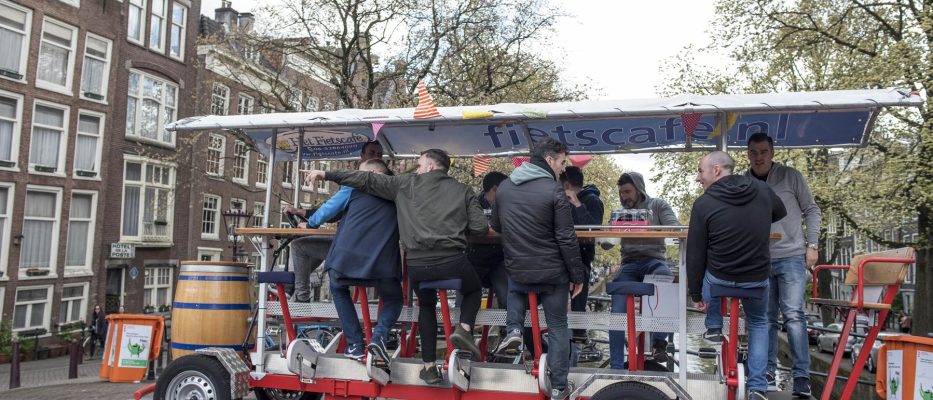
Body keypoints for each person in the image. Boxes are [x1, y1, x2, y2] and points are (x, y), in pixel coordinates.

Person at [303, 148, 489, 385]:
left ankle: (429, 366)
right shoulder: (463, 190)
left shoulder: (405, 184)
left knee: (427, 306)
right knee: (473, 288)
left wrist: (326, 174)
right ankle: (463, 328)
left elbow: (366, 179)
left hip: (417, 265)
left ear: (431, 166)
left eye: (419, 165)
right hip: (451, 260)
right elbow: (480, 228)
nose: (417, 169)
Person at [492, 138, 587, 400]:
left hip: (519, 269)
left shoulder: (505, 188)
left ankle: (513, 330)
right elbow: (566, 238)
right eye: (562, 162)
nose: (563, 169)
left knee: (516, 280)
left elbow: (497, 226)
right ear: (549, 161)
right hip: (551, 272)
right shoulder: (554, 190)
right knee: (557, 327)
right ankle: (558, 387)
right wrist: (577, 276)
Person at [688, 151, 786, 400]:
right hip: (756, 278)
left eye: (701, 171)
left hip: (719, 279)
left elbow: (696, 252)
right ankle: (757, 388)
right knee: (758, 323)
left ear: (717, 170)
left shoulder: (703, 204)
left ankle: (713, 325)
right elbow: (781, 211)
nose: (698, 178)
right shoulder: (762, 190)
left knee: (710, 266)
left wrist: (695, 293)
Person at [739, 132, 821, 396]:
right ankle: (768, 373)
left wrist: (813, 245)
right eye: (753, 152)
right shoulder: (743, 181)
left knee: (794, 315)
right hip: (760, 258)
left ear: (772, 153)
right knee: (766, 319)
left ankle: (801, 377)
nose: (758, 157)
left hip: (792, 255)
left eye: (763, 151)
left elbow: (812, 209)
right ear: (748, 155)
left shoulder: (790, 176)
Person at [303, 159, 404, 361]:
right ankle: (379, 336)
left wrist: (310, 223)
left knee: (338, 289)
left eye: (358, 173)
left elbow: (327, 211)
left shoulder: (354, 187)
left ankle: (355, 345)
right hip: (382, 266)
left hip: (345, 262)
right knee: (394, 299)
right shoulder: (399, 192)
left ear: (372, 173)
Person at [285, 141, 387, 302]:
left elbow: (331, 209)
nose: (376, 157)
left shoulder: (356, 183)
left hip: (353, 250)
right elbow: (338, 212)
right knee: (317, 245)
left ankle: (300, 295)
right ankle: (293, 287)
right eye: (372, 153)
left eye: (379, 154)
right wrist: (303, 212)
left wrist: (311, 223)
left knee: (300, 246)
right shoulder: (391, 184)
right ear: (362, 156)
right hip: (381, 255)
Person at [607, 172, 678, 365]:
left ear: (639, 189)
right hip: (629, 263)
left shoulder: (658, 205)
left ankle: (659, 343)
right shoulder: (620, 212)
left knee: (665, 277)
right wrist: (613, 227)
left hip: (654, 260)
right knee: (617, 311)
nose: (624, 197)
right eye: (621, 193)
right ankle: (616, 366)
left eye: (628, 192)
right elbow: (605, 244)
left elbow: (676, 228)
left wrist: (645, 227)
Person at [558, 166, 604, 366]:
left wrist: (577, 205)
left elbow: (594, 229)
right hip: (559, 260)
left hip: (580, 260)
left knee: (575, 317)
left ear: (566, 185)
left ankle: (571, 364)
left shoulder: (592, 201)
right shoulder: (558, 201)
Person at [462, 171, 510, 309]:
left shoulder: (509, 204)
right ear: (496, 188)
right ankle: (461, 328)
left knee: (507, 293)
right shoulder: (473, 204)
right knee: (465, 291)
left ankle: (507, 329)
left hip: (500, 259)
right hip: (475, 258)